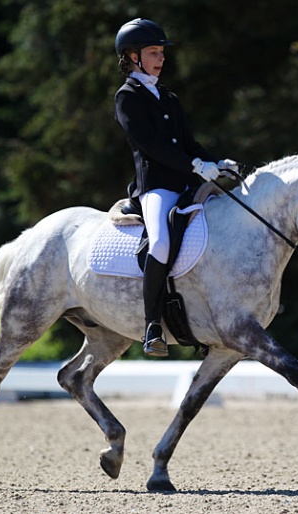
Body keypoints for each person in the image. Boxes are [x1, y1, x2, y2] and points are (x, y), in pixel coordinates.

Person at [114, 18, 238, 357]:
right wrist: (194, 166)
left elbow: (188, 143)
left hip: (186, 184)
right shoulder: (127, 97)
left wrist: (217, 161)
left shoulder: (168, 97)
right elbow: (151, 146)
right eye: (153, 52)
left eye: (161, 52)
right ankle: (152, 325)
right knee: (161, 242)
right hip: (156, 188)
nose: (161, 58)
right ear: (133, 56)